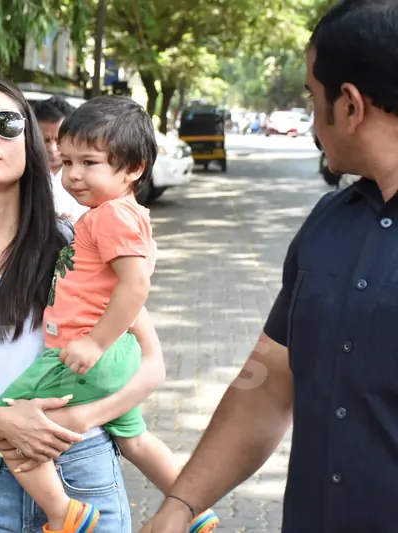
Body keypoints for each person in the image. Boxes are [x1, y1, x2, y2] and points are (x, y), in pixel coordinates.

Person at [140, 1, 398, 532]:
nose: (312, 116)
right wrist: (180, 506)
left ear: (350, 105)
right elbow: (267, 384)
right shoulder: (328, 224)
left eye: (312, 97)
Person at [0, 76, 168, 533]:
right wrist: (4, 423)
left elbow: (152, 365)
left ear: (30, 144)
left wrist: (79, 418)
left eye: (6, 123)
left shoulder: (75, 242)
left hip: (83, 472)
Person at [0, 96, 217, 533]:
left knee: (8, 425)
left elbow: (136, 285)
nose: (73, 174)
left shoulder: (110, 216)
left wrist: (95, 342)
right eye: (68, 161)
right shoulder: (120, 214)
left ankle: (64, 513)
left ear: (133, 168)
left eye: (89, 163)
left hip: (84, 356)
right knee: (134, 438)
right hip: (114, 355)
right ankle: (192, 508)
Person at [33, 96, 90, 221]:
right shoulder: (22, 173)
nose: (52, 148)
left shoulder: (89, 173)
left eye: (58, 140)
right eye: (45, 140)